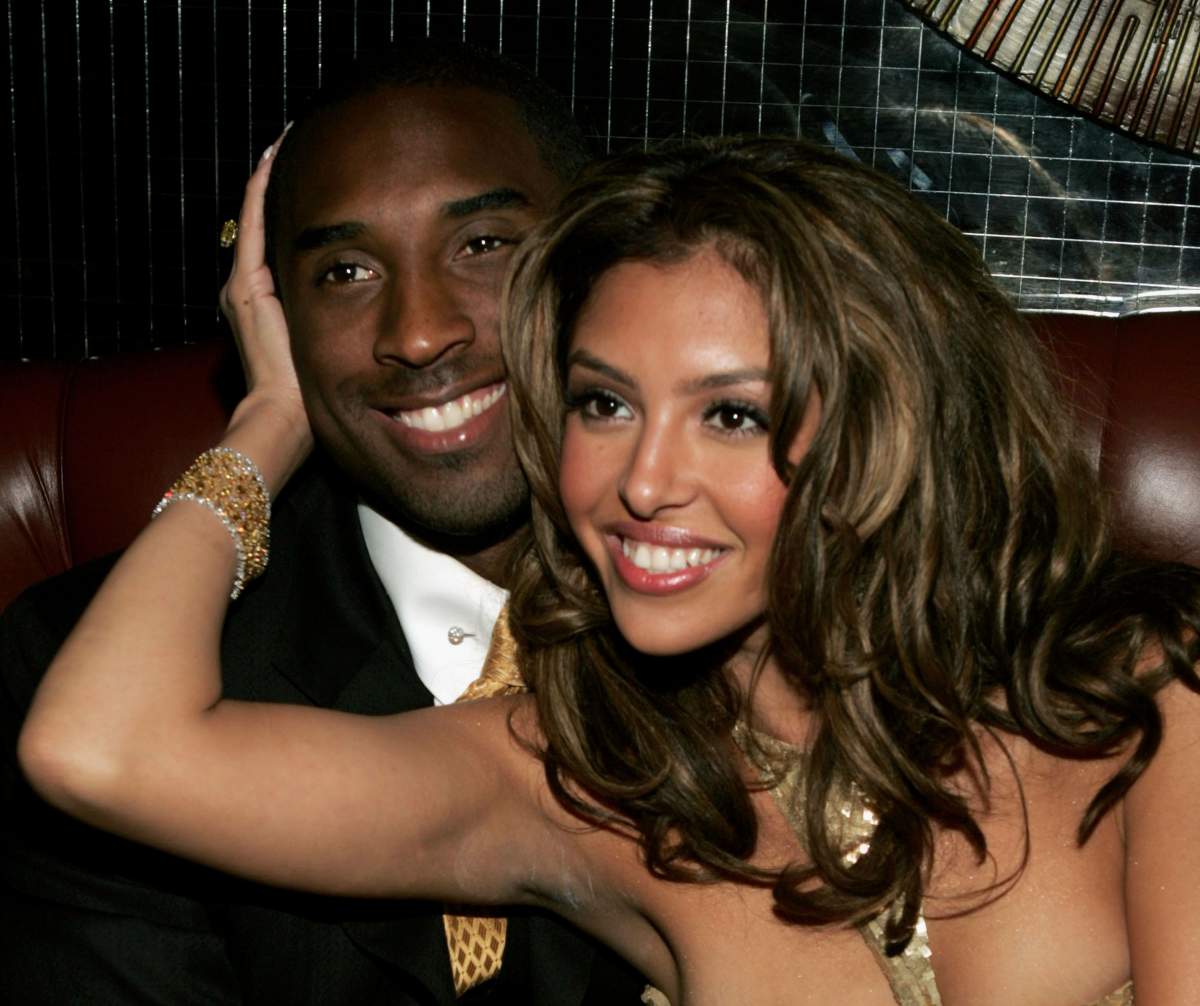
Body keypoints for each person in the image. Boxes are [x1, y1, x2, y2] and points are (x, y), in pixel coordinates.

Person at [19, 136, 1200, 1005]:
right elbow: (97, 747)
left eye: (731, 415)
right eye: (604, 403)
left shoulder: (1147, 693)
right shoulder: (579, 787)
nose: (641, 482)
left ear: (884, 433)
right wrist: (270, 424)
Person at [0, 40, 647, 1005]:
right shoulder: (87, 667)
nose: (418, 331)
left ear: (604, 263)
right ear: (275, 319)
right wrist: (268, 424)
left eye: (482, 245)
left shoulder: (746, 637)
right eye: (345, 271)